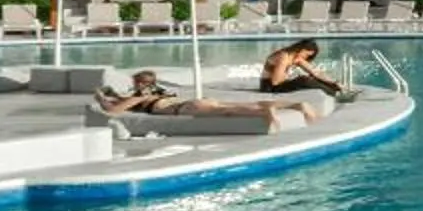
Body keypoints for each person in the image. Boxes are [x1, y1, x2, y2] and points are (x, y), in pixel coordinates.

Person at [98, 70, 307, 125]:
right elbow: (121, 101)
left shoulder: (140, 96)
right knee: (239, 103)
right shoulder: (160, 90)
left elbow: (113, 110)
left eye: (135, 83)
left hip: (186, 109)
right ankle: (294, 105)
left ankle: (264, 112)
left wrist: (100, 99)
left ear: (141, 85)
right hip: (196, 100)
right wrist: (115, 96)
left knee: (227, 112)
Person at [260, 38, 349, 99]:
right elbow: (275, 81)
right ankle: (335, 94)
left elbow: (316, 73)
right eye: (307, 55)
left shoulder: (296, 58)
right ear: (302, 50)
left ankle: (337, 89)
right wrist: (294, 79)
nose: (306, 58)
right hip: (269, 87)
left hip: (279, 84)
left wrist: (334, 82)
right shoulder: (283, 57)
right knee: (304, 80)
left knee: (310, 78)